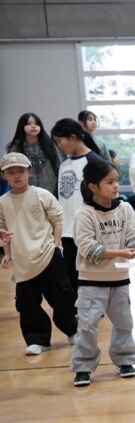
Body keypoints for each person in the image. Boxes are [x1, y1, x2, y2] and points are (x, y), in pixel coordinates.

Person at [70, 160, 135, 386]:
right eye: (110, 182)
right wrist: (120, 253)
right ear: (93, 186)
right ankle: (83, 367)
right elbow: (87, 248)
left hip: (120, 279)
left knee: (124, 323)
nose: (116, 186)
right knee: (87, 326)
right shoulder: (84, 214)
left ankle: (125, 360)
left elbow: (134, 233)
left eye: (117, 181)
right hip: (91, 282)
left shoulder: (125, 209)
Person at [0, 152, 78, 356]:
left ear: (30, 172)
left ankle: (72, 330)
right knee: (27, 303)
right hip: (22, 260)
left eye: (20, 171)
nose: (16, 175)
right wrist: (7, 254)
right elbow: (3, 230)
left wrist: (56, 245)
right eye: (11, 172)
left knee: (62, 297)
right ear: (4, 176)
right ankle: (38, 339)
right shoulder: (2, 202)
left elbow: (57, 219)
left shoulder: (41, 195)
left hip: (48, 254)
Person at [51, 118, 106, 293]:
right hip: (66, 231)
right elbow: (58, 196)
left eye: (60, 141)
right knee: (71, 278)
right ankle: (77, 306)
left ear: (73, 137)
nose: (59, 146)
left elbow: (102, 197)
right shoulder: (64, 164)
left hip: (87, 231)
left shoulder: (94, 161)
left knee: (90, 277)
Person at [6, 112, 61, 195]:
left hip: (51, 190)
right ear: (22, 127)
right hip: (24, 193)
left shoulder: (49, 144)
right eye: (29, 124)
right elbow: (10, 171)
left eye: (36, 124)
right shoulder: (16, 148)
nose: (33, 126)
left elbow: (59, 165)